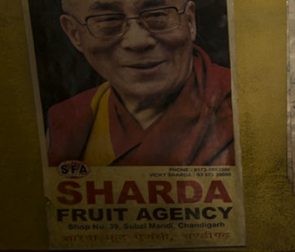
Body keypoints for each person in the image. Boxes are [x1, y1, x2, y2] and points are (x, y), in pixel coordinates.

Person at [47, 0, 235, 167]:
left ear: (190, 21)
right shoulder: (67, 122)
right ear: (74, 34)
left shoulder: (241, 103)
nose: (137, 41)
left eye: (157, 15)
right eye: (107, 20)